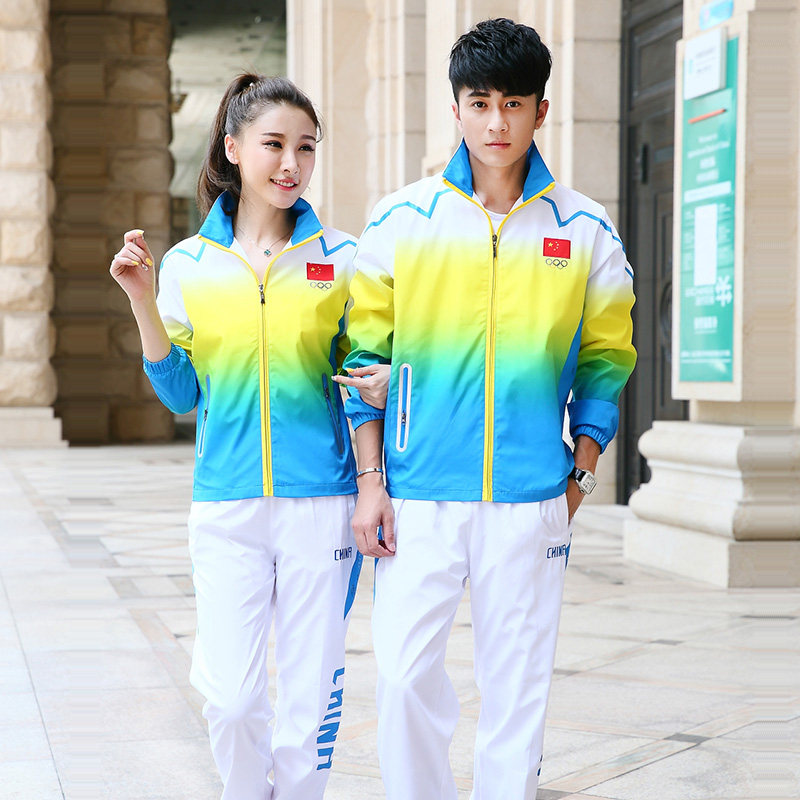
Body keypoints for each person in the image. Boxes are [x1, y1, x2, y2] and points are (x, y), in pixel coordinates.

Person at [334, 18, 637, 800]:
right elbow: (361, 359)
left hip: (530, 498)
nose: (496, 122)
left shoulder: (586, 230)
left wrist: (579, 475)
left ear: (541, 111)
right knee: (404, 679)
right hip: (418, 494)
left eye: (513, 103)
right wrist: (372, 482)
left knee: (517, 689)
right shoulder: (400, 220)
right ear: (457, 110)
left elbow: (607, 359)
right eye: (480, 103)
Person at [109, 74, 388, 800]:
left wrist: (370, 485)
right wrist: (142, 300)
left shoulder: (343, 258)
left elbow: (360, 384)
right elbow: (181, 394)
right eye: (274, 145)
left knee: (308, 702)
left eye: (306, 147)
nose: (291, 163)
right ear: (233, 148)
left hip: (321, 503)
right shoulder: (189, 265)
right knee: (231, 702)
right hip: (227, 505)